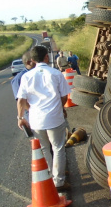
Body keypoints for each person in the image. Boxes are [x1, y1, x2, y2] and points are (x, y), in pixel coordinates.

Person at [17, 45, 72, 190]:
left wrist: (20, 117)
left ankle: (48, 179)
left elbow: (21, 100)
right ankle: (59, 181)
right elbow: (64, 96)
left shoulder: (26, 76)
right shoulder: (55, 74)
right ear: (46, 57)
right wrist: (59, 108)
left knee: (44, 149)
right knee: (58, 148)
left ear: (33, 60)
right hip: (54, 118)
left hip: (36, 120)